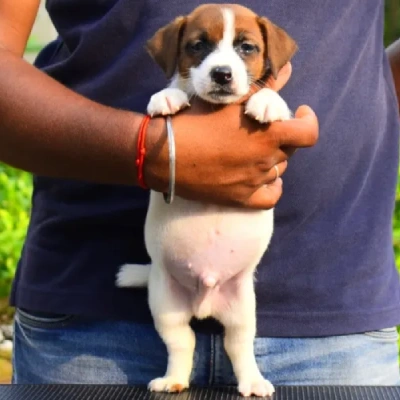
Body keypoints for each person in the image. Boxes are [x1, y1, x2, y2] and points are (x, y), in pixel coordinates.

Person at [1, 0, 399, 387]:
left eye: (245, 48)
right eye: (201, 47)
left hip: (336, 310)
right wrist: (149, 149)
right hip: (91, 313)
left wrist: (371, 101)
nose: (224, 66)